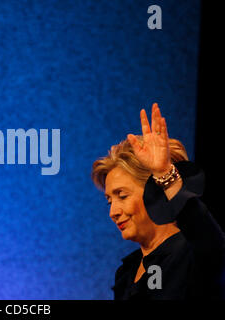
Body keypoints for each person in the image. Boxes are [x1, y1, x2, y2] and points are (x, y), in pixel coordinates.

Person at [91, 103, 225, 300]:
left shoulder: (192, 254)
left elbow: (212, 242)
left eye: (122, 195)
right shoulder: (127, 272)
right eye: (109, 201)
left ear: (157, 192)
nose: (113, 212)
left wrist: (164, 173)